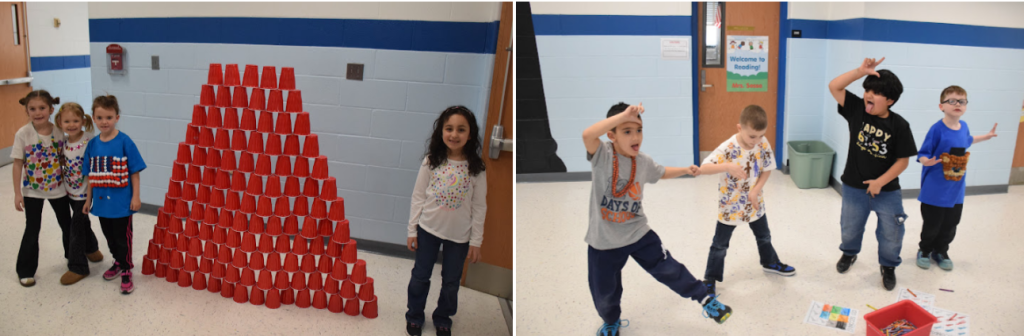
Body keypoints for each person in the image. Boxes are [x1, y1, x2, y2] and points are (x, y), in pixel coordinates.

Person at [583, 102, 731, 336]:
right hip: (604, 240)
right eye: (627, 131)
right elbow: (587, 134)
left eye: (639, 130)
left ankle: (704, 298)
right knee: (604, 290)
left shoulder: (642, 161)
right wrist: (624, 115)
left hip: (638, 232)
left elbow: (661, 172)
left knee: (668, 268)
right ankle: (611, 321)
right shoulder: (602, 154)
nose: (636, 137)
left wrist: (685, 170)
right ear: (612, 135)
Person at [827, 57, 917, 290]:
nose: (868, 95)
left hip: (886, 191)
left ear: (890, 100)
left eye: (876, 93)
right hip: (854, 187)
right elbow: (834, 86)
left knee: (891, 232)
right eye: (867, 89)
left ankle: (888, 266)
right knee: (850, 227)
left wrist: (880, 182)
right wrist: (860, 71)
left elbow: (903, 161)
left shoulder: (900, 125)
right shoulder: (857, 110)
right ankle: (849, 253)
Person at [405, 106, 487, 336]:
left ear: (470, 135)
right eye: (449, 128)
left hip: (459, 237)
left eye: (461, 129)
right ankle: (414, 316)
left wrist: (476, 241)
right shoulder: (431, 161)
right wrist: (412, 230)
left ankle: (443, 318)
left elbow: (480, 206)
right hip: (428, 230)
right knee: (420, 276)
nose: (454, 134)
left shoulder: (476, 169)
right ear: (441, 132)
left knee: (451, 282)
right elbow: (418, 196)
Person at [700, 104, 795, 298]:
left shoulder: (762, 142)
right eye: (752, 136)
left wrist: (756, 191)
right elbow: (704, 167)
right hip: (730, 206)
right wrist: (727, 166)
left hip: (754, 203)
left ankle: (770, 263)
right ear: (739, 128)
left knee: (764, 237)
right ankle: (710, 279)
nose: (757, 141)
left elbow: (767, 168)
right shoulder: (728, 148)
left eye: (761, 136)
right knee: (720, 245)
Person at [915, 85, 997, 271]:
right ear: (941, 106)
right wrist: (925, 161)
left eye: (961, 101)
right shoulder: (936, 129)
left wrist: (986, 137)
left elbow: (967, 140)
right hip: (935, 190)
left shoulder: (964, 127)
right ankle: (925, 250)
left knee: (950, 225)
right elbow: (923, 152)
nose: (957, 104)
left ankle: (941, 251)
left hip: (956, 190)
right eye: (951, 101)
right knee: (932, 225)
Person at [82, 95, 147, 294]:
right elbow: (91, 176)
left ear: (117, 117)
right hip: (102, 205)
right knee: (109, 236)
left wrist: (135, 197)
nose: (104, 122)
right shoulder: (92, 145)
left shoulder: (125, 141)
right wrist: (88, 200)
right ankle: (118, 261)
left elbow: (134, 173)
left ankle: (127, 269)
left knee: (122, 238)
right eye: (100, 117)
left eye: (108, 117)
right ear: (93, 118)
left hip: (121, 204)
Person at [10, 90, 71, 287]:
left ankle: (74, 259)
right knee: (32, 228)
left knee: (67, 225)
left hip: (58, 189)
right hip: (32, 191)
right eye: (32, 109)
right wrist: (17, 193)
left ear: (51, 109)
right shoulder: (23, 133)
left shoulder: (59, 132)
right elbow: (18, 164)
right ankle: (26, 270)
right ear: (27, 111)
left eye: (42, 108)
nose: (37, 112)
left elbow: (65, 159)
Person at [55, 102, 104, 285]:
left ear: (83, 121)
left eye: (75, 120)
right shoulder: (65, 142)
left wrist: (89, 198)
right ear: (60, 122)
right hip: (70, 192)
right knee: (81, 223)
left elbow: (94, 170)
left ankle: (78, 266)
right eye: (67, 121)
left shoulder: (89, 140)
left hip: (85, 194)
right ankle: (92, 249)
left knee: (75, 228)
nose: (71, 124)